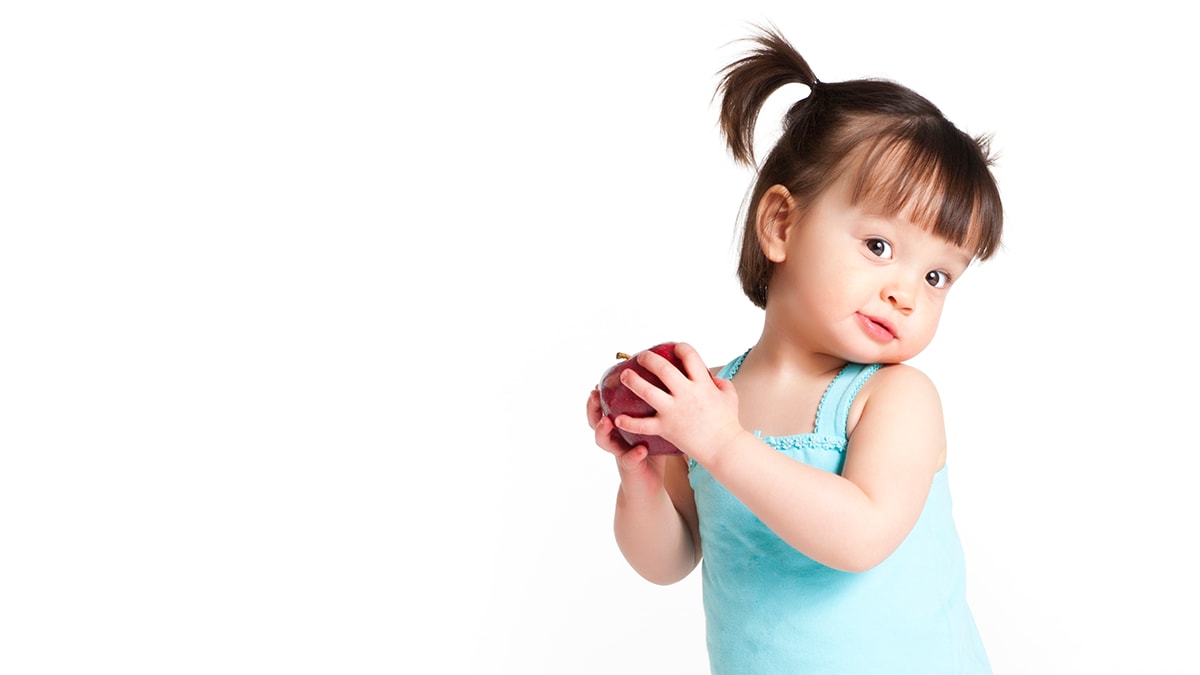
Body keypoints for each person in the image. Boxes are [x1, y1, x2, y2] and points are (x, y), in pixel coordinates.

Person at [585, 25, 1002, 674]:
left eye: (936, 275)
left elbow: (862, 534)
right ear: (782, 223)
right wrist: (640, 474)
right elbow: (667, 560)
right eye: (880, 246)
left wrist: (721, 443)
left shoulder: (895, 397)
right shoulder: (711, 398)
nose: (906, 294)